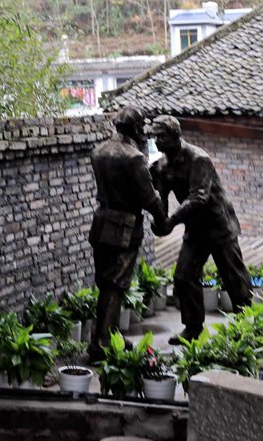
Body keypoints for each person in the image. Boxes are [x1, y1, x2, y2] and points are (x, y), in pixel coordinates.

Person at [149, 115, 252, 344]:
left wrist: (172, 221)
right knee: (183, 276)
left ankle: (249, 326)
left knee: (234, 277)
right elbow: (161, 198)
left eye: (162, 136)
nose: (157, 141)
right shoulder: (161, 166)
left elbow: (199, 198)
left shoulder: (198, 159)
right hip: (195, 228)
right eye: (155, 136)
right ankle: (193, 328)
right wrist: (160, 222)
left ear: (176, 136)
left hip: (218, 225)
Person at [87, 105, 169, 363]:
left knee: (105, 284)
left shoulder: (98, 151)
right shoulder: (133, 157)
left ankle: (108, 335)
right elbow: (149, 197)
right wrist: (162, 219)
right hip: (124, 227)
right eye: (141, 127)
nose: (143, 132)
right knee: (116, 285)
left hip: (101, 222)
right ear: (135, 128)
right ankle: (102, 344)